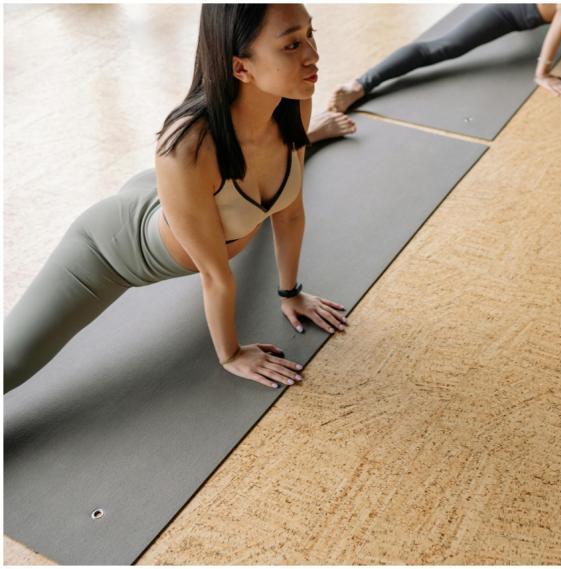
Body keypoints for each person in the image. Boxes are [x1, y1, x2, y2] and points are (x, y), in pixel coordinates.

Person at [4, 4, 347, 393]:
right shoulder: (185, 147)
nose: (313, 54)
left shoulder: (293, 101)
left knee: (267, 167)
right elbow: (216, 276)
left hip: (176, 191)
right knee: (10, 363)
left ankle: (312, 137)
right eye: (291, 45)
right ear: (240, 67)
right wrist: (230, 354)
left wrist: (291, 293)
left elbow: (288, 212)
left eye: (310, 34)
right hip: (110, 247)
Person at [328, 3, 561, 114]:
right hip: (509, 12)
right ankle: (360, 84)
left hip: (528, 15)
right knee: (442, 48)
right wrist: (542, 74)